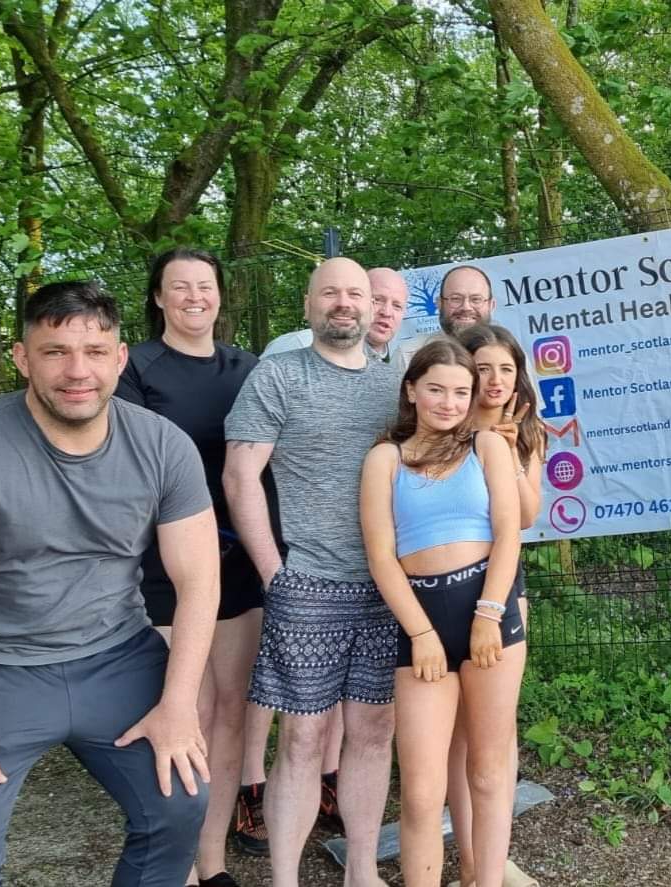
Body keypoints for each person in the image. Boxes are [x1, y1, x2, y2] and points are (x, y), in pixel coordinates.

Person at [0, 281, 218, 886]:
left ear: (120, 358)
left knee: (180, 803)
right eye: (55, 352)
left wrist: (178, 706)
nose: (77, 372)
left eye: (95, 352)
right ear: (22, 358)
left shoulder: (162, 445)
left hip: (117, 657)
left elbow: (199, 581)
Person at [224, 257, 400, 887]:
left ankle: (361, 871)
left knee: (374, 733)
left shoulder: (398, 382)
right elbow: (240, 477)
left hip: (388, 588)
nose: (344, 303)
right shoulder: (278, 375)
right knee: (302, 739)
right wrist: (275, 573)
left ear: (371, 305)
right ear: (308, 305)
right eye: (330, 293)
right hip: (309, 586)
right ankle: (285, 879)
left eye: (355, 293)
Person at [115, 248, 266, 887]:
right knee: (186, 714)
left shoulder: (248, 368)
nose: (194, 297)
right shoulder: (134, 368)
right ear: (158, 297)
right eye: (180, 287)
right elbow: (124, 466)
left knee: (231, 711)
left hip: (237, 560)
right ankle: (175, 870)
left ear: (220, 295)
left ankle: (213, 864)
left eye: (205, 285)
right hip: (164, 564)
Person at [359, 339, 525, 887]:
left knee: (488, 773)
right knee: (422, 793)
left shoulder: (487, 446)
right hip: (420, 624)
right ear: (411, 390)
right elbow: (381, 556)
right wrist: (421, 632)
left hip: (489, 617)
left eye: (460, 392)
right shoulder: (385, 459)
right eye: (436, 389)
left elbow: (508, 534)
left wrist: (489, 614)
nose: (449, 403)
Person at [447, 323, 546, 887]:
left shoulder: (526, 432)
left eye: (506, 369)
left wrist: (507, 449)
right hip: (443, 589)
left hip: (505, 587)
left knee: (497, 731)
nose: (494, 380)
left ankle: (492, 859)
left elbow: (527, 515)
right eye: (482, 368)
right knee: (459, 736)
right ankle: (467, 858)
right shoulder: (443, 425)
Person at [261, 266, 409, 369]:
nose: (387, 312)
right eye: (377, 300)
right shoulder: (298, 344)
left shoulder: (391, 368)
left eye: (397, 306)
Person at [395, 264, 495, 367]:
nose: (466, 307)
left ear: (491, 305)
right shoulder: (408, 356)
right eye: (455, 299)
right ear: (439, 303)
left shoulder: (504, 355)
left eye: (476, 299)